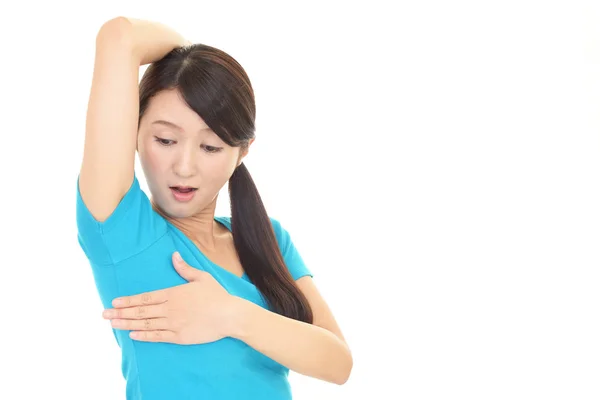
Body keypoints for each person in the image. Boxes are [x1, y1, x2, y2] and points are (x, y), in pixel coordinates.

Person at [75, 16, 352, 399]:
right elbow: (119, 36)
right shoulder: (123, 233)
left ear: (242, 152)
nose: (184, 166)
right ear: (134, 133)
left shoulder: (268, 239)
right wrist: (187, 58)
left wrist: (230, 314)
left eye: (210, 147)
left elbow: (338, 363)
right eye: (166, 139)